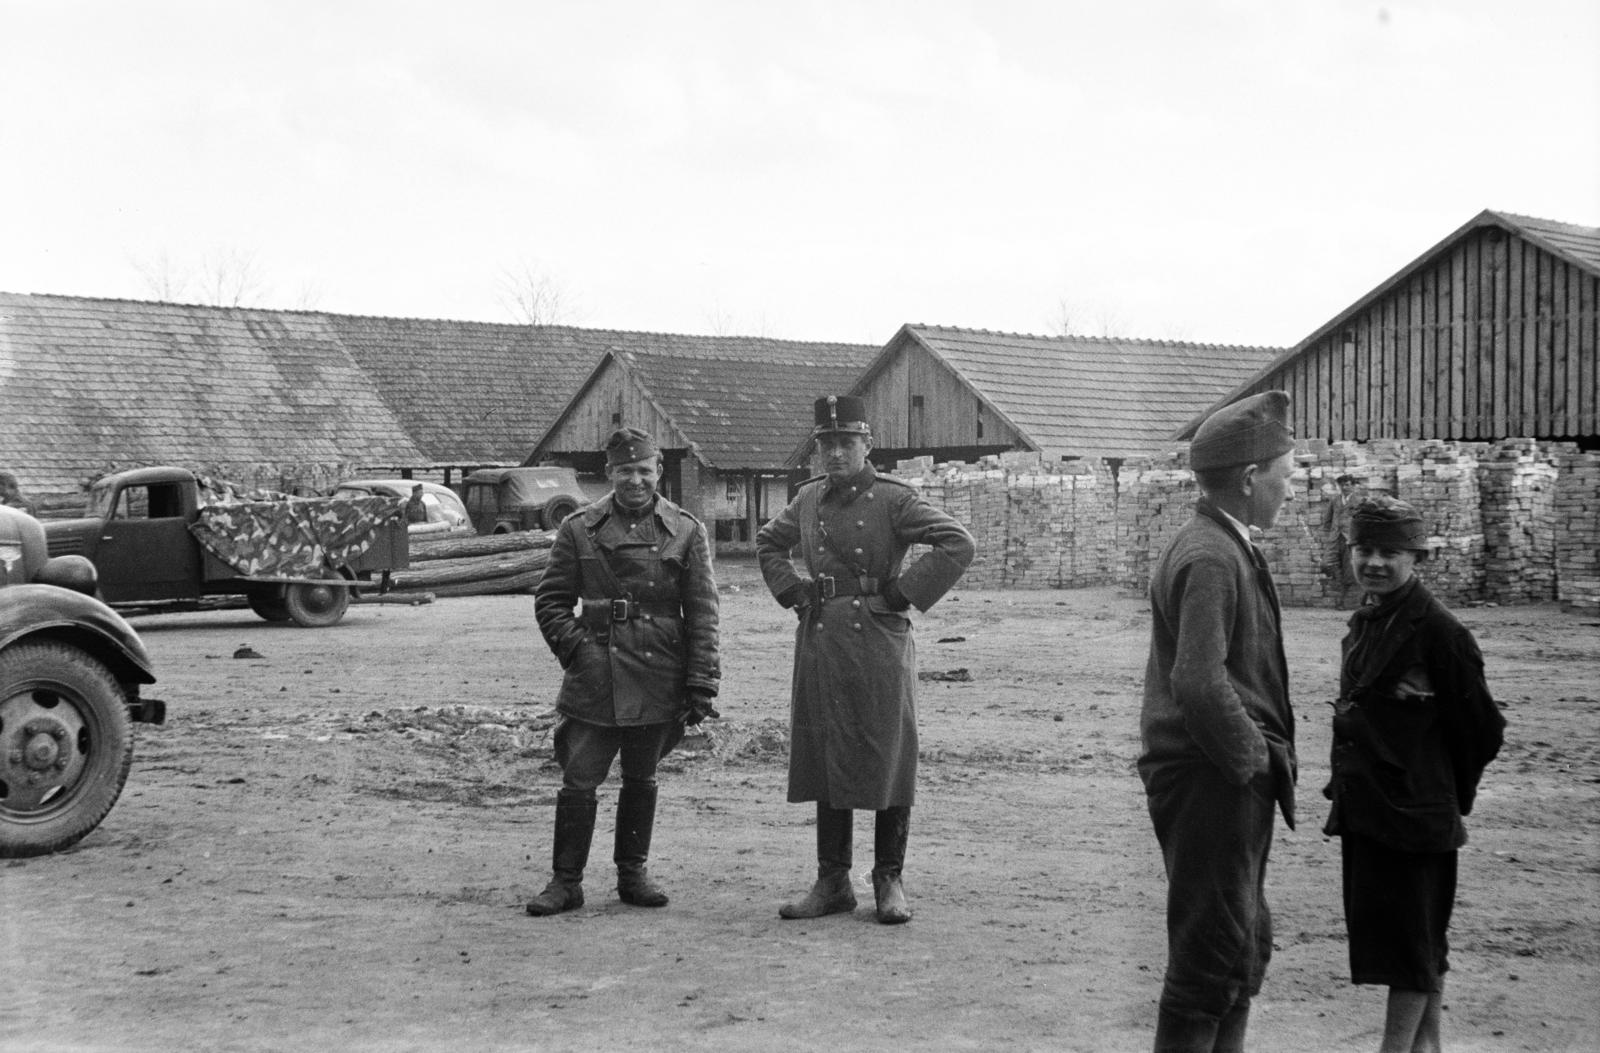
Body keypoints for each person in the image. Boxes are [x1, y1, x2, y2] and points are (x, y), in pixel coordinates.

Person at [756, 395, 974, 925]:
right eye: (826, 444)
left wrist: (901, 593)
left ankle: (888, 879)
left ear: (867, 445)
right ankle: (832, 881)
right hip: (823, 639)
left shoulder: (894, 499)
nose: (835, 454)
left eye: (846, 443)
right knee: (827, 753)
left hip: (878, 641)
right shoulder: (807, 500)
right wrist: (794, 591)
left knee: (887, 753)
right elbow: (768, 543)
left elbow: (956, 542)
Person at [1139, 390, 1299, 1052]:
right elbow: (1199, 682)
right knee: (1207, 963)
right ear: (1249, 478)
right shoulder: (1210, 554)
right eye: (1285, 477)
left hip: (1223, 777)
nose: (1289, 491)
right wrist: (1253, 760)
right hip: (1211, 779)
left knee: (1237, 952)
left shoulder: (1228, 544)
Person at [1323, 497, 1505, 1053]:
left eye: (1390, 553)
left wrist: (1442, 794)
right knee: (1418, 939)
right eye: (1365, 550)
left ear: (1415, 557)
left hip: (1416, 814)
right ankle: (1428, 1047)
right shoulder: (1369, 618)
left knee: (1412, 946)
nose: (1375, 562)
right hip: (1373, 809)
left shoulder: (1440, 632)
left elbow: (1483, 729)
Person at [526, 427, 721, 916]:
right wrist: (579, 651)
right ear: (608, 474)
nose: (635, 480)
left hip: (659, 672)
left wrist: (701, 680)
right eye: (625, 471)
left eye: (644, 470)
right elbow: (550, 601)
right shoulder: (578, 528)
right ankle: (565, 881)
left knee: (641, 776)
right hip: (596, 672)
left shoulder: (684, 530)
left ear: (658, 472)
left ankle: (632, 875)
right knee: (580, 778)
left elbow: (702, 613)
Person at [1321, 474, 1359, 600]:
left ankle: (1342, 599)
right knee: (1326, 564)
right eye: (1342, 485)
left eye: (1347, 484)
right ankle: (1339, 582)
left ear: (1353, 486)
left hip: (1350, 539)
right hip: (1335, 538)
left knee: (1349, 569)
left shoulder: (1359, 501)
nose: (1344, 487)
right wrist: (1329, 535)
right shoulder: (1335, 500)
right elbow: (1327, 520)